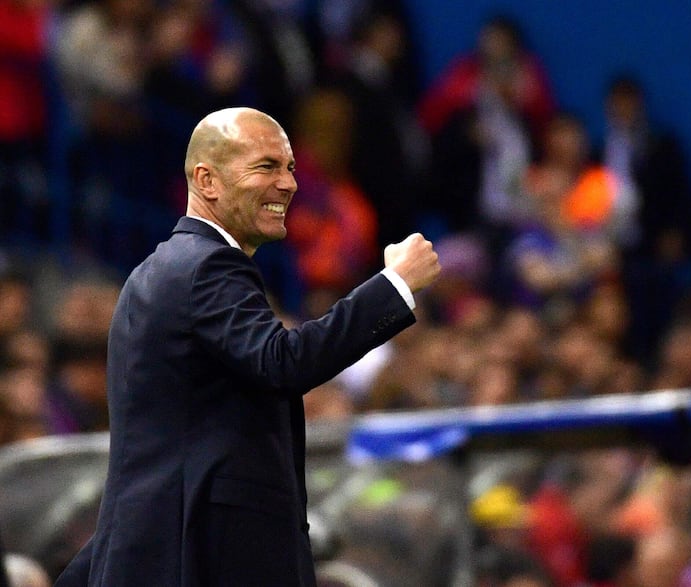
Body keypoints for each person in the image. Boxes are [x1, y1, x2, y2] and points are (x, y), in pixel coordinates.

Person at [53, 106, 440, 586]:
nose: (289, 184)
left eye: (291, 168)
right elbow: (284, 363)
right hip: (205, 562)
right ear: (207, 180)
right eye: (267, 166)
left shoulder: (159, 271)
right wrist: (395, 285)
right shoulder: (206, 266)